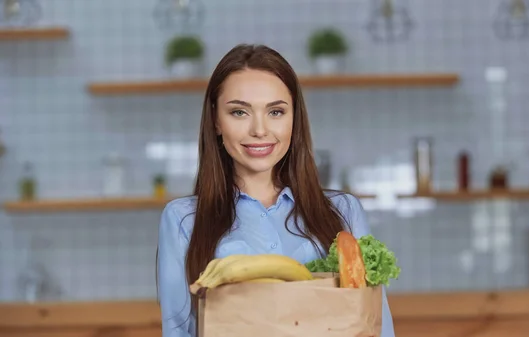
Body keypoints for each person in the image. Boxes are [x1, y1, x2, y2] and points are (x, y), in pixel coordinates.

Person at [156, 44, 396, 337]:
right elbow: (178, 330)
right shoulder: (183, 219)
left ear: (294, 119)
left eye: (276, 111)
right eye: (240, 112)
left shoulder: (343, 212)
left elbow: (375, 325)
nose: (260, 129)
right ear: (216, 120)